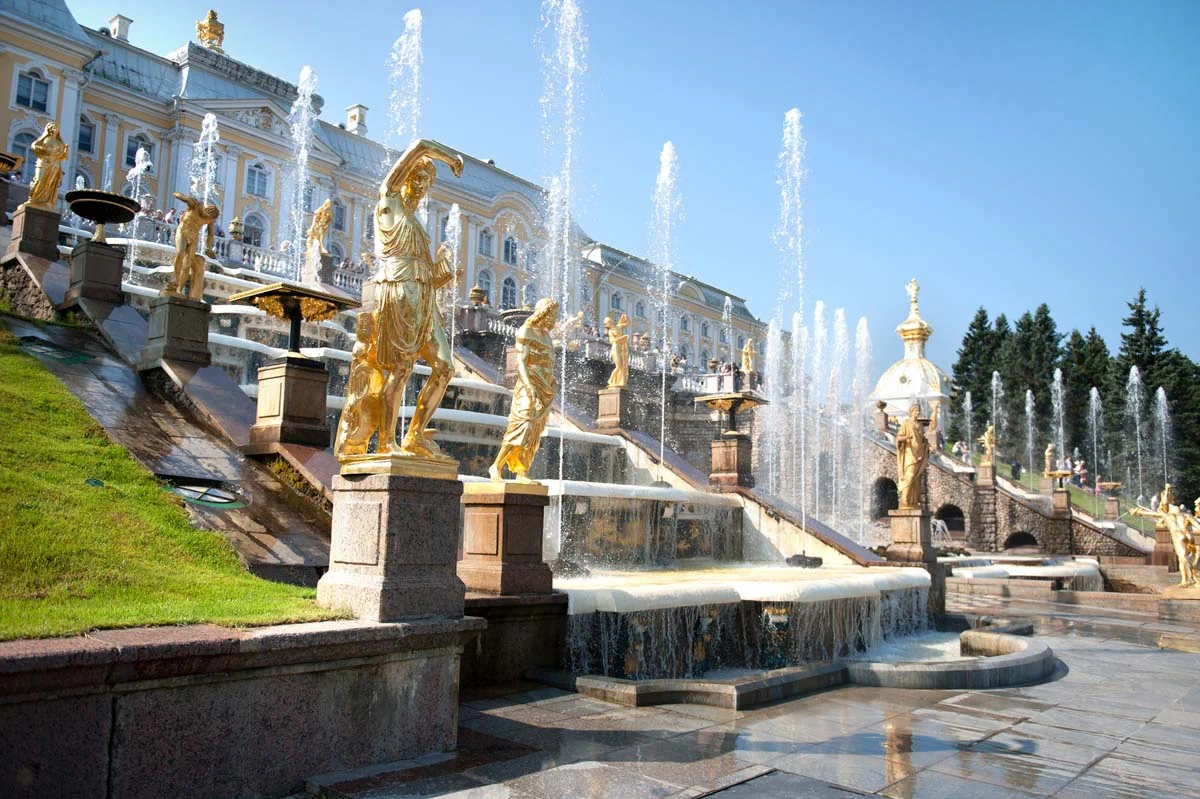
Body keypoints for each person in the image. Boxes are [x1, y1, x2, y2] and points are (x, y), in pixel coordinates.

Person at [370, 139, 464, 458]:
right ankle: (386, 442)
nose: (422, 185)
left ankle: (415, 436)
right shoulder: (389, 201)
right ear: (406, 176)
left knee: (445, 367)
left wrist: (444, 272)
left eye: (427, 180)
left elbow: (426, 273)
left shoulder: (417, 222)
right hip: (398, 293)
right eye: (418, 177)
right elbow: (420, 145)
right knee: (401, 368)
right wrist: (450, 157)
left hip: (424, 298)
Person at [490, 298, 559, 481]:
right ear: (543, 313)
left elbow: (548, 362)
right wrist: (529, 387)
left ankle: (522, 471)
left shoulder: (547, 337)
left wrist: (553, 380)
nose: (554, 318)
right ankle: (496, 466)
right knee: (523, 425)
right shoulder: (526, 330)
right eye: (552, 314)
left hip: (545, 388)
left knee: (535, 431)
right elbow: (521, 363)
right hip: (529, 385)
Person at [896, 404, 929, 509]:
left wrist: (927, 445)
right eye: (916, 411)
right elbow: (899, 438)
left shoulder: (920, 425)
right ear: (911, 412)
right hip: (909, 453)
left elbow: (922, 440)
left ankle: (913, 500)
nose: (918, 412)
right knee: (909, 475)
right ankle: (905, 498)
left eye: (919, 411)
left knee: (916, 478)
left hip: (919, 453)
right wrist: (906, 437)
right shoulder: (906, 423)